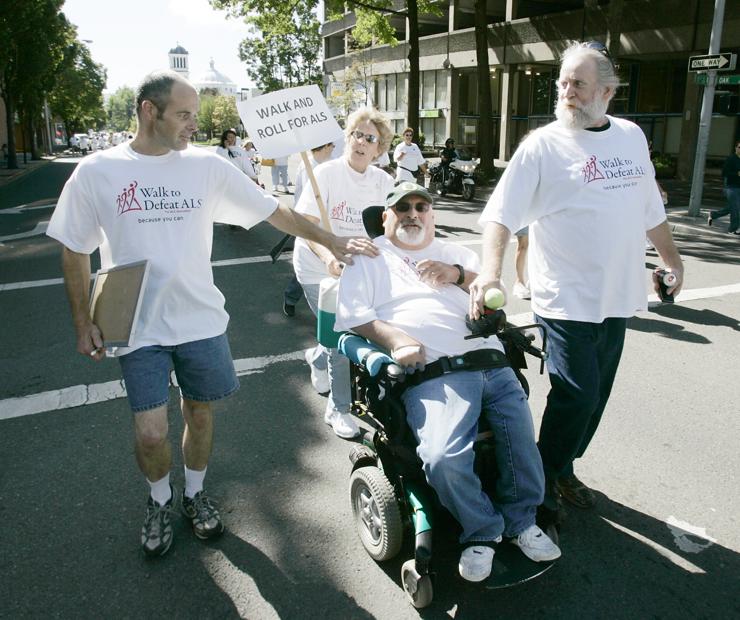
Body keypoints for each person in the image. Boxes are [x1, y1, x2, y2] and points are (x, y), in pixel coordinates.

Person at [46, 70, 378, 558]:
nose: (191, 125)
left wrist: (329, 239)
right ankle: (160, 499)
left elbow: (273, 212)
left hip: (200, 321)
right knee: (152, 430)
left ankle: (196, 494)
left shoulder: (205, 167)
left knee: (199, 415)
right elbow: (74, 249)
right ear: (148, 111)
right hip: (136, 326)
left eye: (195, 116)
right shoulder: (98, 171)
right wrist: (82, 320)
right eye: (183, 115)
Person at [470, 41, 684, 514]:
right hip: (563, 297)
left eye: (578, 84)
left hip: (617, 294)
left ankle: (564, 466)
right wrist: (489, 273)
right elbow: (500, 216)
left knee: (598, 392)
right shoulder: (543, 146)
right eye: (562, 82)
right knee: (578, 393)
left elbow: (651, 209)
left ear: (608, 91)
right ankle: (541, 477)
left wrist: (673, 260)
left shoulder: (630, 136)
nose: (566, 91)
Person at [335, 182, 561, 582]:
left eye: (422, 206)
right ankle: (483, 529)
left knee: (522, 445)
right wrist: (395, 338)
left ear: (433, 216)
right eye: (401, 207)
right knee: (443, 458)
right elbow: (353, 317)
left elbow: (495, 292)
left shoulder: (455, 253)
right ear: (384, 216)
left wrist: (457, 274)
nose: (413, 213)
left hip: (491, 359)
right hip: (435, 372)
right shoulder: (369, 257)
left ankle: (522, 522)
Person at [293, 106, 396, 439]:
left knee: (346, 334)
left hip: (357, 271)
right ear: (347, 137)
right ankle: (337, 408)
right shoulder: (325, 174)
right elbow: (304, 228)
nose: (361, 142)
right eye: (357, 134)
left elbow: (389, 233)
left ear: (379, 148)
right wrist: (328, 258)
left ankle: (316, 357)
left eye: (370, 139)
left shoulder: (384, 181)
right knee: (340, 337)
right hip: (316, 268)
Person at [282, 141, 335, 318]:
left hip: (326, 224)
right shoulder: (309, 168)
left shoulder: (327, 165)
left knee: (325, 266)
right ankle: (290, 298)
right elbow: (308, 201)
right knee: (309, 265)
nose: (334, 148)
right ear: (325, 147)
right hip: (308, 224)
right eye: (332, 146)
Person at [708, 140, 740, 235]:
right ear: (735, 148)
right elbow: (724, 173)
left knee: (733, 207)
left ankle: (713, 215)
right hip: (731, 187)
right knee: (736, 208)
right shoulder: (731, 159)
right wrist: (737, 174)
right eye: (739, 147)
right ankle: (733, 229)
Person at [512, 227, 530, 299]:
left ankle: (534, 279)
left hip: (540, 217)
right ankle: (519, 282)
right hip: (524, 218)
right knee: (523, 245)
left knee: (541, 245)